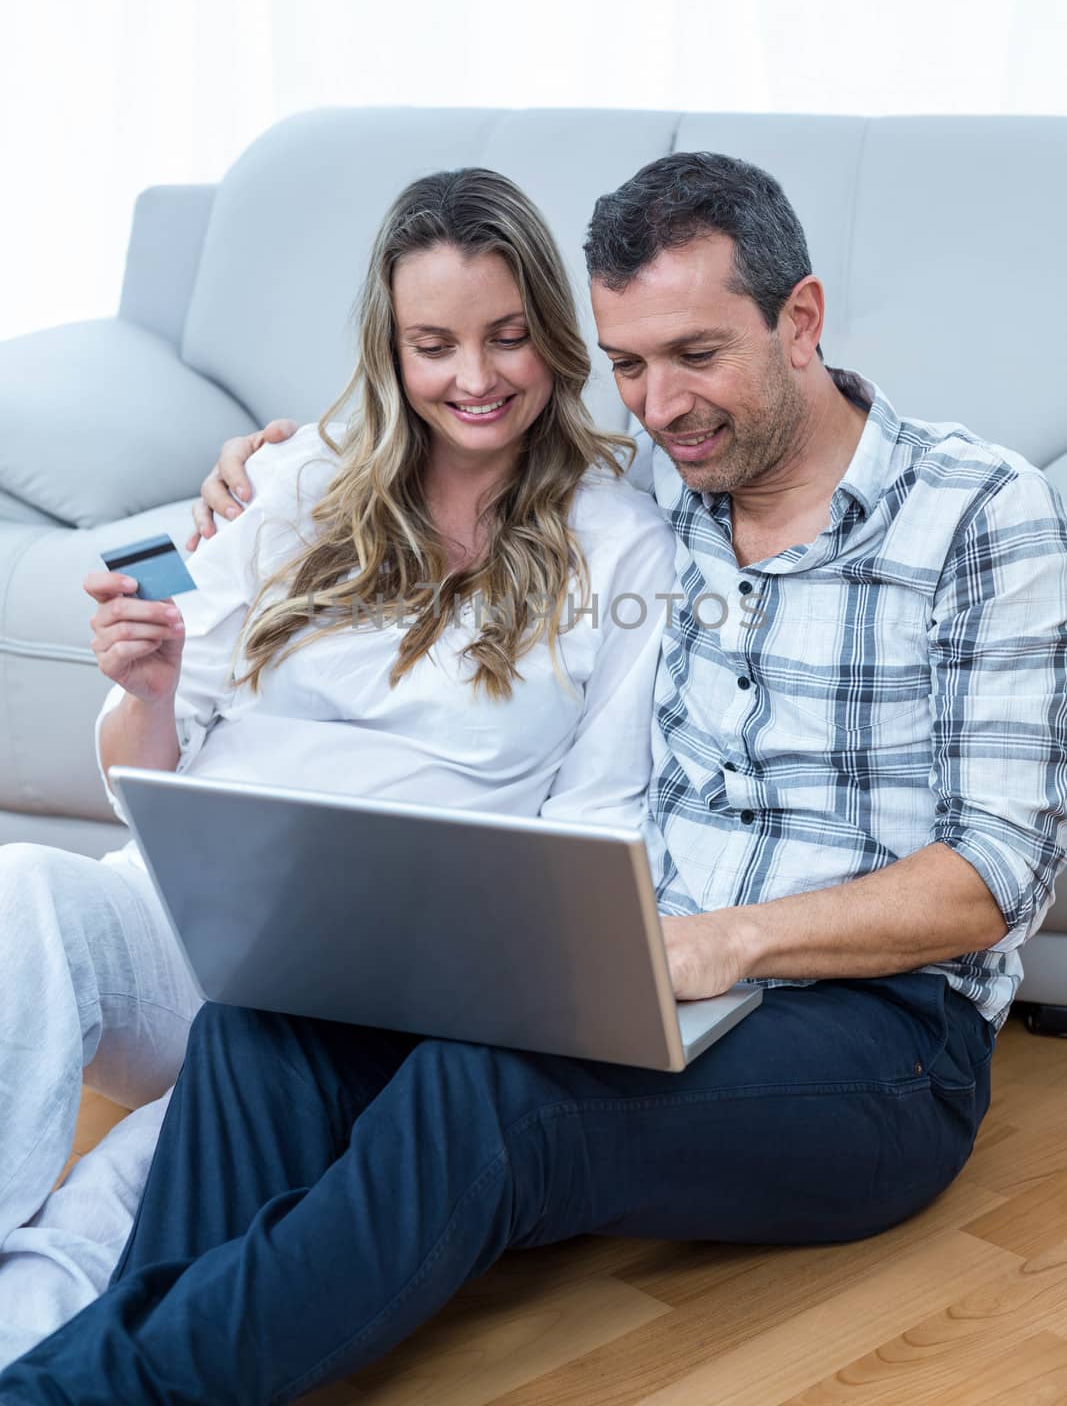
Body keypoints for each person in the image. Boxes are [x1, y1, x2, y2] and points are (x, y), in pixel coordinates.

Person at [4, 151, 1065, 1403]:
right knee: (258, 1030)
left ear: (801, 320)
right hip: (639, 983)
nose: (661, 405)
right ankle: (111, 1364)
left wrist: (725, 942)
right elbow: (452, 441)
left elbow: (1001, 876)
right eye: (627, 365)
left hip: (877, 1037)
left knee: (485, 1095)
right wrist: (269, 460)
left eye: (694, 354)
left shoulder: (979, 511)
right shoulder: (664, 490)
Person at [0, 169, 674, 1364]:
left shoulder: (618, 541)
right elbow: (139, 771)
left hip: (357, 995)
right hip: (182, 923)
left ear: (554, 338)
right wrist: (149, 690)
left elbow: (595, 829)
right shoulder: (298, 479)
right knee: (24, 893)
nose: (475, 378)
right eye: (435, 344)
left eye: (508, 337)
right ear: (389, 347)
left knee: (134, 1190)